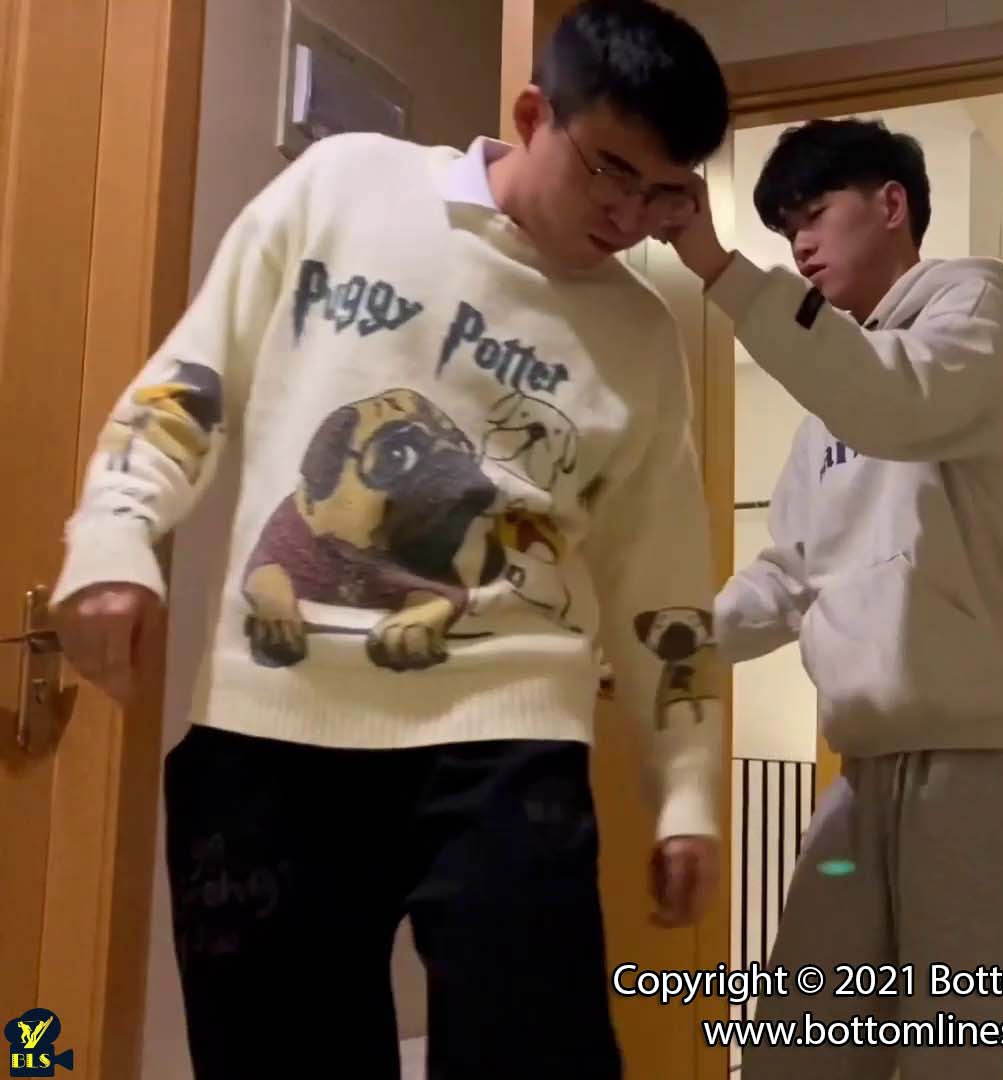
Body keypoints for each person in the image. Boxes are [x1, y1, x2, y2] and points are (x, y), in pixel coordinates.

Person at [49, 3, 730, 1076]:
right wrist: (113, 535)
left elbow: (665, 584)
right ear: (533, 114)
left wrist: (685, 787)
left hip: (510, 744)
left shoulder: (641, 335)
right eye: (610, 170)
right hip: (272, 727)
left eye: (664, 193)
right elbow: (192, 378)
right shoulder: (345, 186)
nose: (629, 215)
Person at [667, 118, 1003, 1079]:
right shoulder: (832, 403)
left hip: (980, 765)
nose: (799, 245)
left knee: (980, 1057)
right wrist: (672, 641)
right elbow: (787, 576)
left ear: (892, 205)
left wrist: (719, 267)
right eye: (786, 230)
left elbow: (900, 400)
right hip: (862, 768)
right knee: (800, 1046)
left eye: (814, 213)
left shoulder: (971, 315)